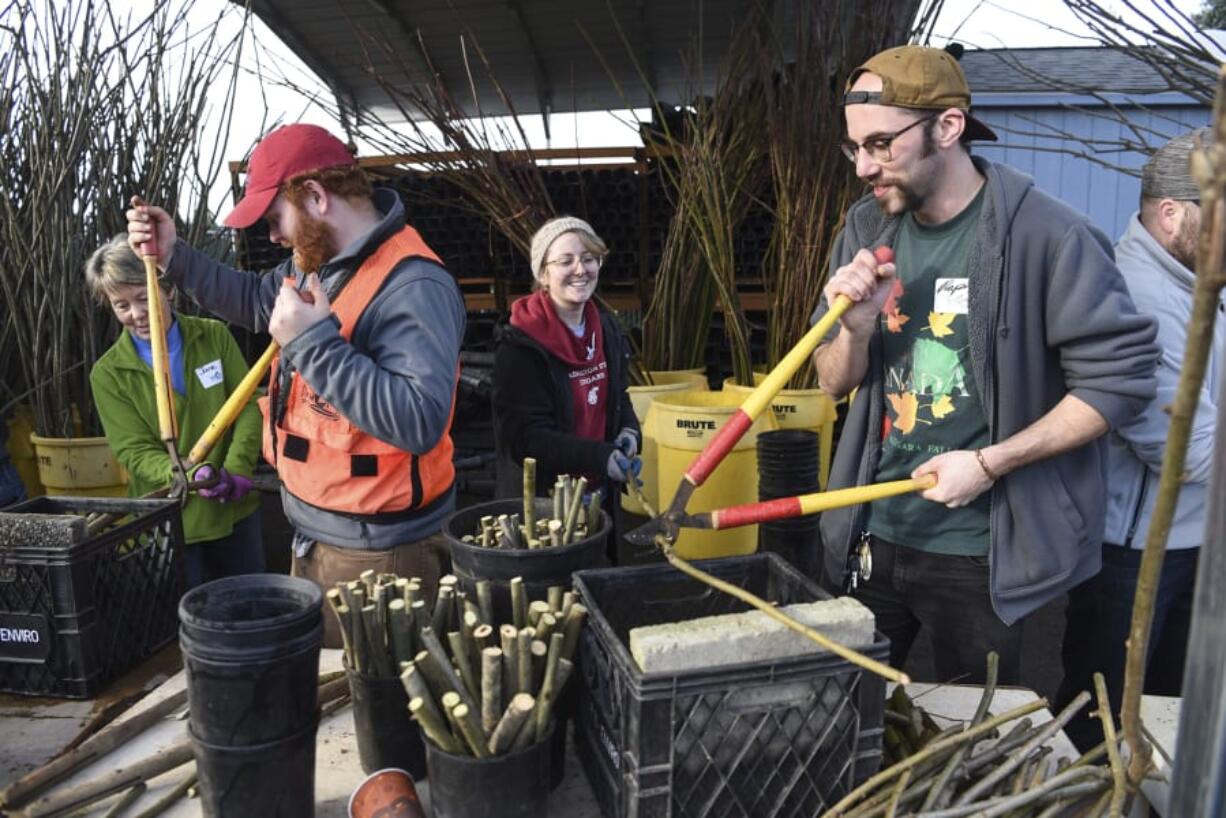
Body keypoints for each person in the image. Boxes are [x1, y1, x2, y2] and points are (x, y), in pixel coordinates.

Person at [811, 45, 1159, 684]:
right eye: (854, 148)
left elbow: (1120, 384)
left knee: (972, 729)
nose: (864, 166)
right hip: (872, 527)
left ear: (948, 127)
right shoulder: (866, 230)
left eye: (881, 144)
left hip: (978, 549)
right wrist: (853, 330)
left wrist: (989, 463)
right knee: (851, 712)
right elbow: (832, 382)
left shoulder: (1049, 237)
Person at [127, 124, 465, 647]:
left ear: (315, 196)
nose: (273, 237)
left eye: (274, 219)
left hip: (380, 558)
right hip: (318, 535)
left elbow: (417, 419)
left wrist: (313, 344)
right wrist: (175, 254)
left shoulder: (414, 286)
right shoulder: (322, 263)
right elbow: (257, 300)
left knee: (369, 716)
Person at [1056, 128, 1222, 750]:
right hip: (1132, 554)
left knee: (1166, 710)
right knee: (1098, 718)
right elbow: (1189, 448)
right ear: (1173, 213)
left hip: (1192, 538)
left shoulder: (1199, 282)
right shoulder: (1139, 297)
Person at [86, 235, 265, 587]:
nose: (137, 314)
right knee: (189, 627)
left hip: (234, 506)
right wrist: (183, 472)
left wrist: (235, 468)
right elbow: (133, 450)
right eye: (121, 305)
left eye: (143, 298)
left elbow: (246, 408)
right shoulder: (109, 374)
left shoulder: (213, 336)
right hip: (171, 517)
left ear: (168, 290)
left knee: (254, 611)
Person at [492, 217, 641, 558]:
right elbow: (525, 438)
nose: (580, 269)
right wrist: (602, 457)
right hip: (545, 511)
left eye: (589, 258)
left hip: (600, 499)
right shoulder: (520, 345)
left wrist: (630, 433)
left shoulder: (605, 329)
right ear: (543, 274)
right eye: (565, 260)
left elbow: (618, 399)